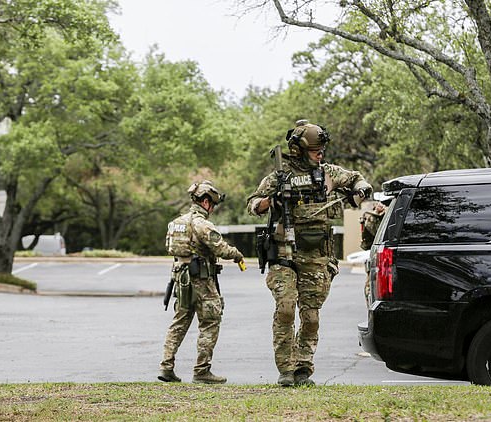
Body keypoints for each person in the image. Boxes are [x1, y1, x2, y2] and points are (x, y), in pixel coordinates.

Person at [247, 119, 372, 387]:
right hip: (284, 253)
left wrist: (360, 190)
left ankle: (303, 367)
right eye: (316, 150)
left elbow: (356, 178)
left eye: (322, 150)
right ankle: (286, 370)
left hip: (317, 254)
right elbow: (253, 204)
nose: (320, 154)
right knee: (285, 308)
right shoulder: (280, 177)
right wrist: (271, 200)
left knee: (311, 315)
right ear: (300, 150)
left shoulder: (328, 172)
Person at [159, 180, 245, 384]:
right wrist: (237, 255)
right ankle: (201, 370)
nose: (213, 209)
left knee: (179, 321)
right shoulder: (201, 223)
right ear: (206, 202)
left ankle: (166, 367)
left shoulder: (176, 222)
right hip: (201, 279)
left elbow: (170, 248)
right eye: (213, 205)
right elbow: (221, 249)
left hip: (181, 279)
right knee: (210, 321)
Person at [359, 201, 387, 305]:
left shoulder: (385, 215)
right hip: (374, 254)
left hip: (382, 255)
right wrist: (377, 214)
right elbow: (373, 230)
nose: (381, 205)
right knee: (370, 287)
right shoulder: (370, 217)